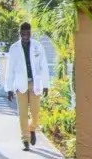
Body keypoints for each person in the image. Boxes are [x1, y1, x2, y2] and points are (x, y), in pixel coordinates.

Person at [5, 22, 55, 151]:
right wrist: (9, 88)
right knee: (22, 113)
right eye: (23, 33)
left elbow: (43, 66)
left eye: (28, 33)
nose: (25, 36)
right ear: (20, 33)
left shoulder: (38, 46)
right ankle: (25, 139)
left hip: (34, 83)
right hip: (20, 84)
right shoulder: (14, 48)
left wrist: (45, 85)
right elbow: (9, 69)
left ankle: (32, 129)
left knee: (35, 112)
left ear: (30, 33)